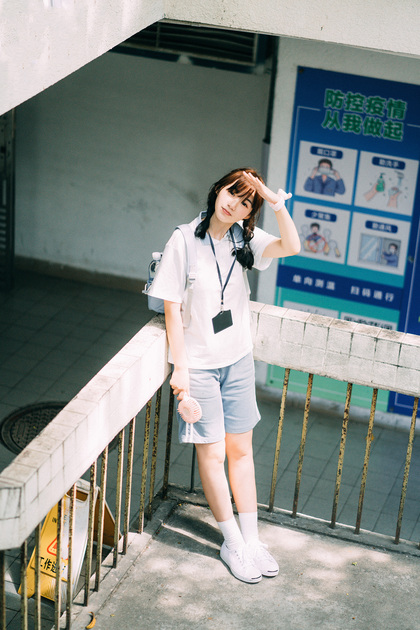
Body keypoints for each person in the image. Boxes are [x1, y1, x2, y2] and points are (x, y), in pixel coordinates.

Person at [148, 167, 300, 583]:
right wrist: (180, 367)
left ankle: (252, 540)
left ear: (250, 212)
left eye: (246, 202)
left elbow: (292, 245)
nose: (234, 204)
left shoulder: (243, 238)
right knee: (212, 456)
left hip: (238, 359)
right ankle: (231, 542)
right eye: (233, 193)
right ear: (218, 190)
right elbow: (172, 309)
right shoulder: (183, 239)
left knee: (241, 452)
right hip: (199, 366)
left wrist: (275, 202)